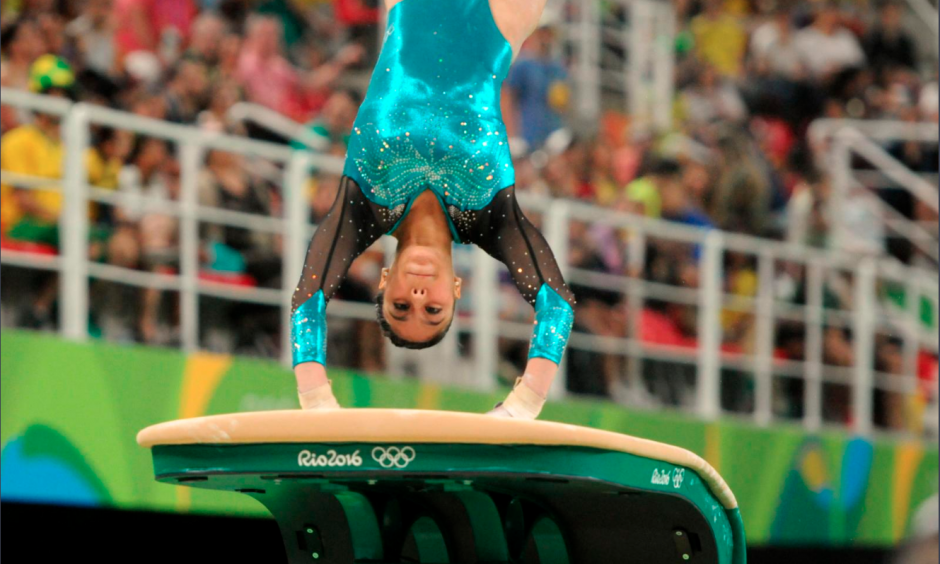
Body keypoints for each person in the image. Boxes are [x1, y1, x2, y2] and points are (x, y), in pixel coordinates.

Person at [290, 0, 575, 419]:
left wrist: (316, 399)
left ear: (384, 281)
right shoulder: (488, 217)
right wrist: (525, 403)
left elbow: (308, 297)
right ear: (456, 290)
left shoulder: (365, 206)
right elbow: (557, 302)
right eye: (433, 311)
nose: (418, 297)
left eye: (401, 306)